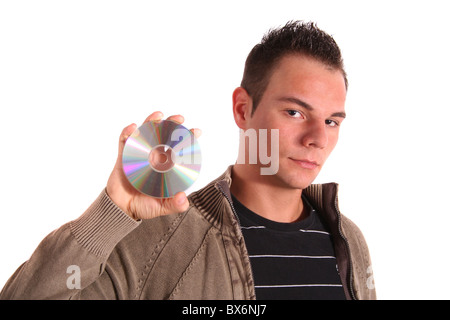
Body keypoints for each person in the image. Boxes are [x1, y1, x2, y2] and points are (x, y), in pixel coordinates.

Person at [0, 21, 376, 300]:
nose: (317, 139)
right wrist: (109, 215)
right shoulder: (162, 240)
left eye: (331, 121)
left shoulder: (349, 241)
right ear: (243, 109)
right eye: (295, 112)